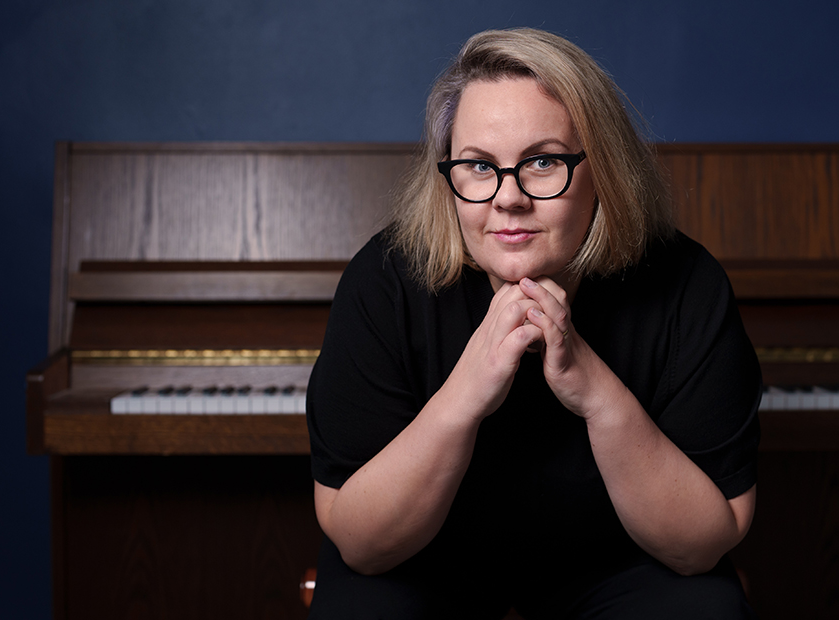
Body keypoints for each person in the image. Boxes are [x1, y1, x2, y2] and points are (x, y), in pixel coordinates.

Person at [306, 27, 761, 619]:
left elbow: (704, 544)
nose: (508, 198)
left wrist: (596, 392)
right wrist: (465, 393)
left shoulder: (685, 283)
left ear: (605, 171)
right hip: (426, 565)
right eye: (477, 165)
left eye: (543, 162)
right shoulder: (386, 280)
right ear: (448, 177)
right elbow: (362, 545)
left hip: (622, 567)